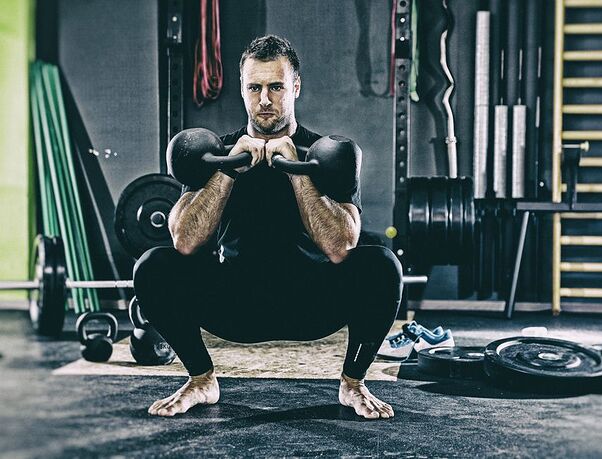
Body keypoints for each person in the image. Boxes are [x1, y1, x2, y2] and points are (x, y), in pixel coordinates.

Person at [133, 35, 403, 419]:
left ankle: (353, 382)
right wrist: (229, 170)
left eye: (276, 86)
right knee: (152, 265)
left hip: (311, 302)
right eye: (254, 87)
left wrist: (297, 172)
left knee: (382, 265)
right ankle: (201, 379)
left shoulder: (325, 154)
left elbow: (342, 245)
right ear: (242, 90)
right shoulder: (217, 152)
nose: (264, 99)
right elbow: (184, 240)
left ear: (295, 86)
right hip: (235, 303)